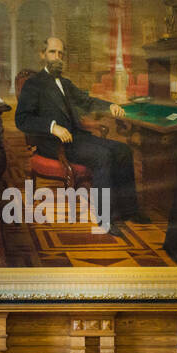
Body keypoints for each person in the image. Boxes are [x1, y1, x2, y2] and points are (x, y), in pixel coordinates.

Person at [14, 37, 145, 236]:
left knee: (123, 150)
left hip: (76, 137)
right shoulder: (33, 84)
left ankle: (129, 211)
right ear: (42, 55)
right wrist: (52, 127)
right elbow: (22, 119)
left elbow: (87, 101)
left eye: (60, 53)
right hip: (53, 143)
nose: (57, 57)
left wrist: (109, 106)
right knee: (102, 156)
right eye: (52, 52)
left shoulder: (65, 83)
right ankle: (105, 219)